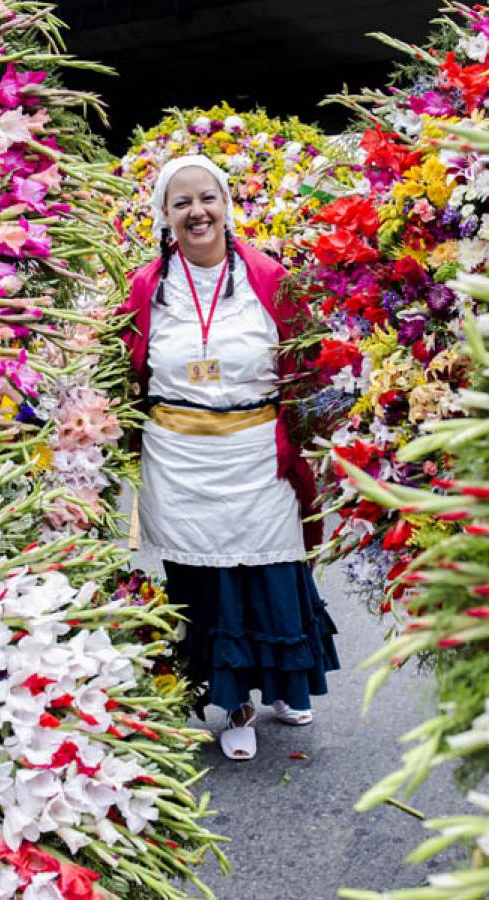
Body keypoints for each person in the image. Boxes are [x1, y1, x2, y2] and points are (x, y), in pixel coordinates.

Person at [119, 154, 339, 760]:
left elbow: (309, 362)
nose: (197, 212)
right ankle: (234, 703)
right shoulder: (146, 289)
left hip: (257, 452)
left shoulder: (269, 278)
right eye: (182, 202)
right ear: (164, 216)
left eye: (207, 198)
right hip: (180, 460)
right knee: (205, 584)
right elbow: (122, 373)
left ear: (226, 205)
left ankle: (286, 686)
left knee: (272, 575)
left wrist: (321, 437)